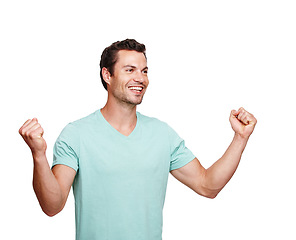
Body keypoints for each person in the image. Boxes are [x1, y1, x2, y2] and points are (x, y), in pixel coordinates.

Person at [19, 39, 257, 240]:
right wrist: (38, 155)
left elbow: (207, 186)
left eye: (144, 71)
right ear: (107, 75)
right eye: (129, 70)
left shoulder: (162, 134)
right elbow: (52, 205)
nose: (140, 78)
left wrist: (240, 138)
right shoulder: (76, 135)